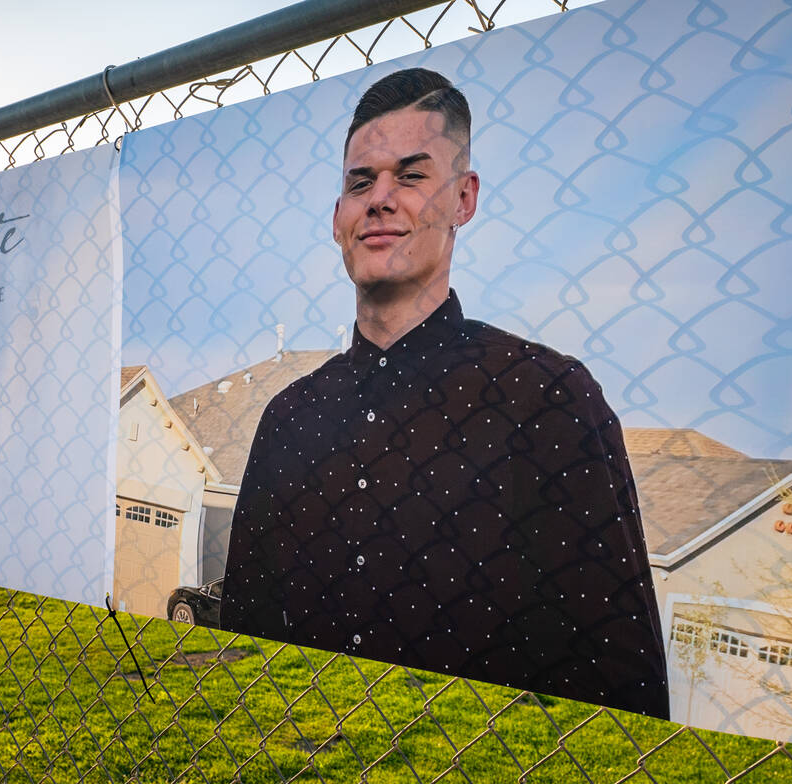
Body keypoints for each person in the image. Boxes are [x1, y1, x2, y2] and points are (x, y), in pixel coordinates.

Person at [219, 68, 668, 718]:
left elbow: (622, 693)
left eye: (411, 175)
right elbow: (243, 645)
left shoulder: (549, 402)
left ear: (463, 198)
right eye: (359, 182)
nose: (380, 199)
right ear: (338, 217)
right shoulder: (289, 418)